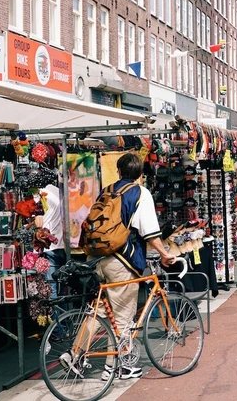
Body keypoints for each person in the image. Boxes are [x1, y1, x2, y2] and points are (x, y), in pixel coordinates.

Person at [66, 153, 177, 381]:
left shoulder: (107, 190)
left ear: (118, 171)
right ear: (140, 174)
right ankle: (118, 367)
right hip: (122, 260)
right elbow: (150, 233)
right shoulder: (140, 193)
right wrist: (165, 254)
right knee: (124, 316)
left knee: (99, 311)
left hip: (96, 259)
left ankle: (74, 353)